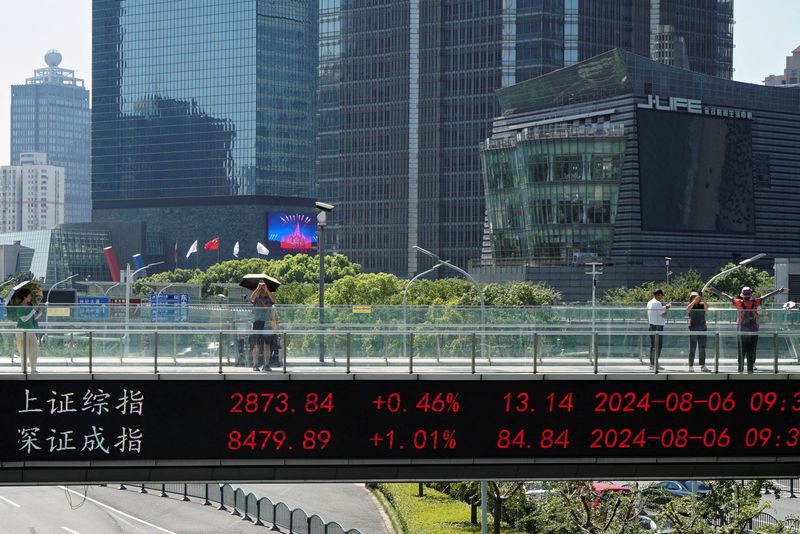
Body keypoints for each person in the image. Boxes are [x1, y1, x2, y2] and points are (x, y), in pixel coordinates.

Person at [705, 285, 787, 373]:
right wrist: (780, 290)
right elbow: (768, 295)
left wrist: (714, 290)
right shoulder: (757, 301)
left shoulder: (738, 302)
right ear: (751, 295)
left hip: (741, 329)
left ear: (742, 295)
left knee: (741, 350)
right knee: (752, 349)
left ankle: (740, 370)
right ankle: (750, 371)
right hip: (754, 329)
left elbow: (724, 295)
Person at [13, 288, 42, 373]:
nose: (30, 297)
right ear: (25, 297)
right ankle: (24, 369)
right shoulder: (20, 307)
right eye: (29, 296)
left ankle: (33, 369)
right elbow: (24, 319)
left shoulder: (30, 306)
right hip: (21, 331)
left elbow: (34, 317)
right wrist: (33, 311)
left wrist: (39, 313)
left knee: (34, 349)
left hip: (31, 330)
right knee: (23, 351)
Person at [250, 281, 277, 371]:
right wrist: (257, 288)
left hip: (267, 323)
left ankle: (266, 364)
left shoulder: (269, 298)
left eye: (263, 288)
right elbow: (252, 299)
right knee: (256, 345)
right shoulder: (257, 298)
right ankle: (255, 364)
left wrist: (267, 290)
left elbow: (274, 300)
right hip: (257, 322)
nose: (262, 290)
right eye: (261, 288)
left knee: (267, 345)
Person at [647, 288, 671, 370]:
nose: (662, 298)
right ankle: (655, 363)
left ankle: (652, 364)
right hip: (658, 326)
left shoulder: (650, 302)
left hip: (651, 325)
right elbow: (663, 315)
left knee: (653, 345)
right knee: (658, 345)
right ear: (659, 295)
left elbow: (658, 310)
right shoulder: (657, 303)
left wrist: (664, 307)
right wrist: (667, 309)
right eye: (661, 296)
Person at [687, 291, 710, 372]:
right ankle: (691, 366)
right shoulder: (691, 305)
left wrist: (703, 300)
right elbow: (688, 308)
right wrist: (694, 301)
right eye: (693, 297)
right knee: (692, 348)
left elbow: (707, 308)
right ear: (691, 298)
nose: (696, 298)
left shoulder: (701, 305)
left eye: (697, 297)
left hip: (702, 328)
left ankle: (703, 365)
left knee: (702, 348)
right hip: (693, 328)